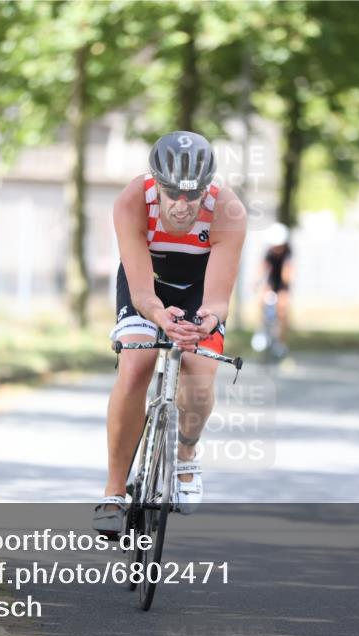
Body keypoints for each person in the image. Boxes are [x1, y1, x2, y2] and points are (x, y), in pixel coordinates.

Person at [93, 131, 247, 535]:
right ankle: (114, 490)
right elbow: (143, 293)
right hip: (149, 286)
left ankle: (186, 452)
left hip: (199, 291)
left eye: (192, 194)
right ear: (156, 184)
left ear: (207, 188)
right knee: (136, 365)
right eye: (172, 193)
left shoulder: (227, 210)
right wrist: (160, 317)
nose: (182, 204)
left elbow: (217, 301)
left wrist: (206, 322)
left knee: (199, 371)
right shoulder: (132, 201)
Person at [260, 222, 293, 351]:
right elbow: (263, 267)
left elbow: (288, 271)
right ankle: (262, 331)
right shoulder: (269, 252)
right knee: (261, 301)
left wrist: (287, 278)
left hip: (283, 285)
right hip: (271, 282)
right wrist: (256, 281)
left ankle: (281, 341)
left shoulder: (288, 252)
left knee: (282, 309)